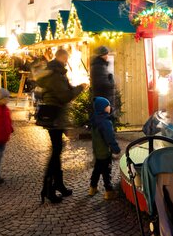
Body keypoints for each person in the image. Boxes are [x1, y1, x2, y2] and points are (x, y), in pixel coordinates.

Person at [36, 49, 86, 204]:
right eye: (66, 58)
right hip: (55, 117)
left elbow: (65, 91)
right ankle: (48, 187)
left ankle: (58, 184)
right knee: (56, 150)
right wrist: (81, 88)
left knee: (57, 149)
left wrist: (75, 87)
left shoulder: (55, 72)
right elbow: (65, 96)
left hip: (55, 116)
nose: (67, 60)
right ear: (61, 57)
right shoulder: (55, 73)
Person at [88, 96, 121, 199]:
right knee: (106, 172)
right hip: (104, 152)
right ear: (102, 108)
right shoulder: (105, 122)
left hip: (97, 151)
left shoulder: (95, 119)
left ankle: (92, 188)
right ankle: (109, 191)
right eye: (107, 106)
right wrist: (116, 149)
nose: (109, 107)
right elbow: (109, 138)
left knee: (97, 169)